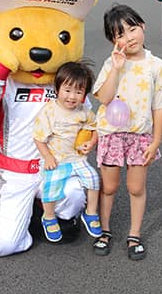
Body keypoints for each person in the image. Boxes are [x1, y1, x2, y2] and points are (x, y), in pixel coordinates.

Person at [92, 4, 162, 260]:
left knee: (136, 188)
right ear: (112, 40)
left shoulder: (156, 65)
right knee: (108, 187)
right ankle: (104, 231)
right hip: (111, 135)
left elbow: (159, 106)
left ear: (143, 27)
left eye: (132, 28)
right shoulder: (111, 63)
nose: (129, 37)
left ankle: (134, 234)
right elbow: (105, 99)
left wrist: (156, 140)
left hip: (140, 137)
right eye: (120, 34)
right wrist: (116, 68)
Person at [33, 61, 102, 242]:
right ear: (57, 88)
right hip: (56, 159)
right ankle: (48, 217)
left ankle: (91, 213)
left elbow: (94, 128)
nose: (72, 97)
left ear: (84, 95)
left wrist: (92, 142)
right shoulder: (49, 111)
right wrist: (47, 157)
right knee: (51, 188)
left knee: (94, 179)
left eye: (78, 92)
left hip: (77, 159)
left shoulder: (84, 111)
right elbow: (39, 138)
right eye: (67, 90)